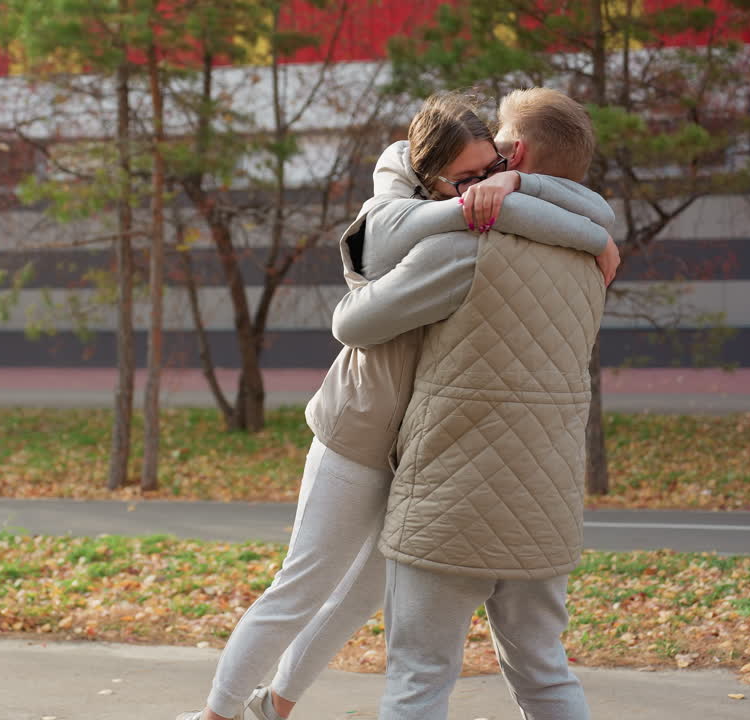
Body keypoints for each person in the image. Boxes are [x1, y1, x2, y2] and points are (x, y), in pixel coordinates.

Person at [176, 89, 618, 720]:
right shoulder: (441, 218)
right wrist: (581, 234)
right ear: (431, 171)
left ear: (511, 156)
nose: (481, 182)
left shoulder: (500, 227)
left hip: (421, 453)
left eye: (491, 166)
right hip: (362, 430)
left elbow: (581, 212)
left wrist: (533, 207)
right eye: (465, 176)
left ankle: (273, 705)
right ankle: (219, 717)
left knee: (363, 602)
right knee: (304, 586)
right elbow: (352, 316)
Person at [330, 87, 611, 720]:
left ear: (516, 151)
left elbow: (354, 324)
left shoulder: (465, 246)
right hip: (548, 503)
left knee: (420, 681)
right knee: (544, 673)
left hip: (449, 503)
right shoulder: (594, 256)